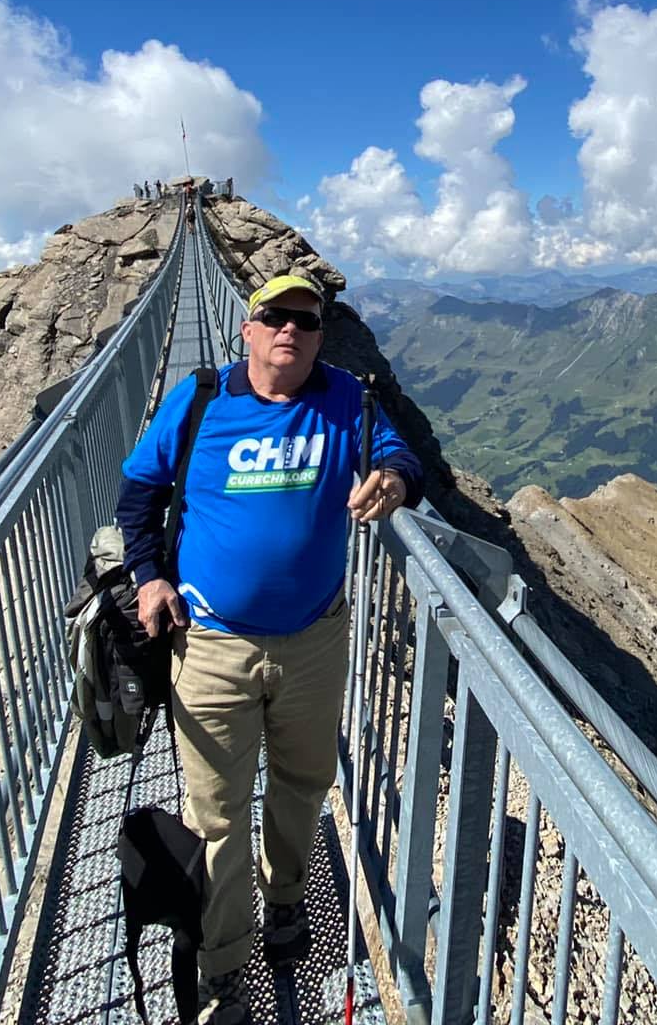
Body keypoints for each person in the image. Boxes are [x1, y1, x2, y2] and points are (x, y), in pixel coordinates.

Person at [115, 272, 423, 1025]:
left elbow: (401, 456)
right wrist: (150, 579)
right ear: (246, 330)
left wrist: (392, 479)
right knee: (217, 815)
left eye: (306, 321)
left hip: (314, 639)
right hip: (210, 643)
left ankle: (284, 901)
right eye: (274, 317)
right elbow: (137, 493)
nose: (290, 330)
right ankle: (224, 973)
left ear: (322, 335)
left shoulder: (350, 397)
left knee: (302, 783)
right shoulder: (198, 399)